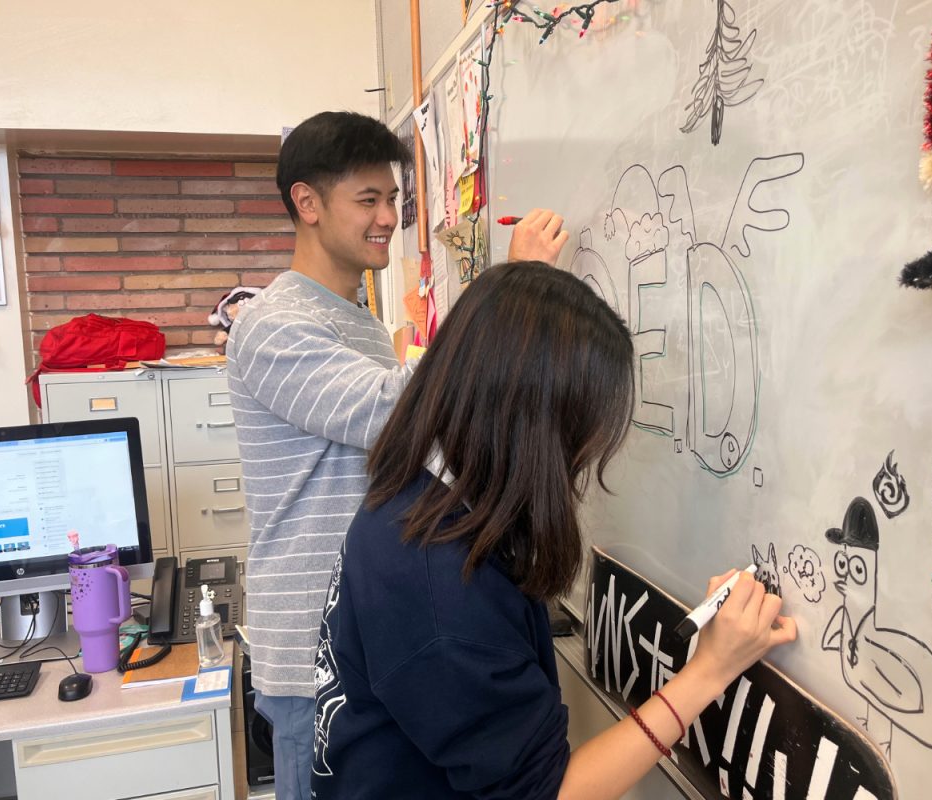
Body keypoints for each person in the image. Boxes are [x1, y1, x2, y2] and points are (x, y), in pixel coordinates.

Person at [310, 262, 798, 799]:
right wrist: (709, 671)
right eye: (583, 432)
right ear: (536, 426)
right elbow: (552, 794)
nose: (585, 456)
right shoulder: (440, 593)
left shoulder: (420, 490)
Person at [226, 111, 568, 800]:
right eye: (369, 200)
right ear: (307, 203)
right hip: (312, 659)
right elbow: (403, 410)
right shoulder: (273, 324)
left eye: (393, 200)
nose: (389, 217)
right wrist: (513, 291)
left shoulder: (358, 321)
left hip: (380, 634)